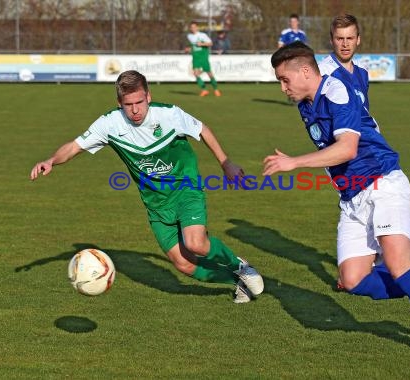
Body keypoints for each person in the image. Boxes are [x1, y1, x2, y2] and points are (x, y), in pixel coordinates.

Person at [264, 42, 410, 364]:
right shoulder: (306, 103)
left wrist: (295, 163)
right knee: (353, 280)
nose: (282, 87)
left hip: (383, 185)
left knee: (399, 266)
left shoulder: (336, 92)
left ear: (305, 71)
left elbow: (347, 149)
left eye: (284, 79)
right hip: (352, 199)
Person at [30, 70, 263, 303]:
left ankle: (240, 266)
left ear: (148, 97)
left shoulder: (169, 114)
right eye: (128, 104)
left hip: (185, 188)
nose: (134, 110)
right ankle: (236, 283)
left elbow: (202, 129)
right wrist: (51, 160)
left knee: (195, 244)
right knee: (183, 264)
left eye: (139, 102)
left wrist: (225, 162)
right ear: (119, 103)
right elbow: (74, 147)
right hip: (156, 204)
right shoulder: (110, 123)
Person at [319, 14, 379, 132]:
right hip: (342, 142)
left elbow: (363, 108)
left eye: (350, 38)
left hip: (368, 140)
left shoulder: (363, 71)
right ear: (331, 40)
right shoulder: (322, 72)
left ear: (358, 40)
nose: (345, 44)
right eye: (340, 38)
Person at [186, 21, 221, 97]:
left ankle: (216, 89)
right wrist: (189, 49)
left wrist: (202, 44)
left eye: (194, 27)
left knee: (209, 73)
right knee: (195, 74)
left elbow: (210, 43)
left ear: (197, 27)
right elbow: (193, 46)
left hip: (203, 57)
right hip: (195, 57)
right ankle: (204, 90)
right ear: (190, 28)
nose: (193, 28)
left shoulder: (202, 35)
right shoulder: (189, 36)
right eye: (192, 27)